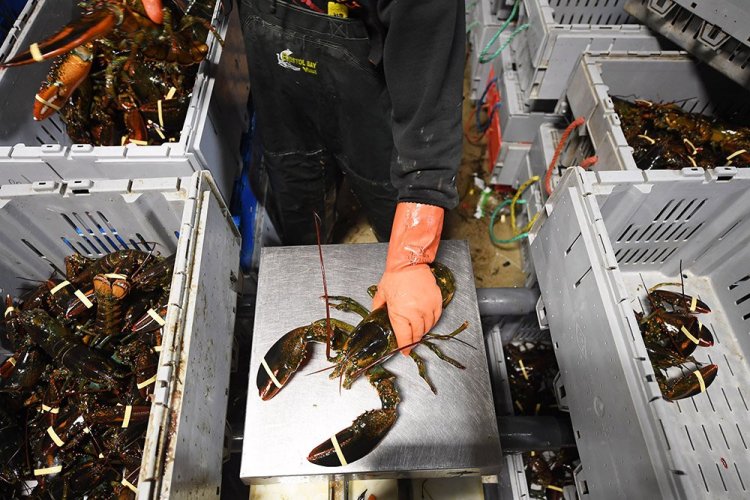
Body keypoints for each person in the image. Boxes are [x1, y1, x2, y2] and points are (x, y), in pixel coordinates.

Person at [239, 0, 465, 353]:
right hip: (274, 70)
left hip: (366, 87)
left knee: (388, 198)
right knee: (297, 194)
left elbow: (429, 90)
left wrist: (410, 258)